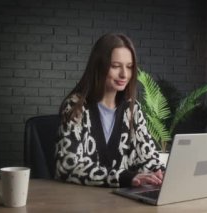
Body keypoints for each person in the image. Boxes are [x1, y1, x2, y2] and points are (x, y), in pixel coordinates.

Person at [55, 33, 165, 188]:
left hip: (122, 202)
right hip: (82, 202)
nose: (124, 74)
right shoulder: (76, 106)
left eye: (129, 67)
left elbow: (147, 158)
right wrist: (124, 177)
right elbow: (67, 167)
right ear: (99, 66)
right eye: (115, 66)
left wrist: (160, 173)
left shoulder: (132, 109)